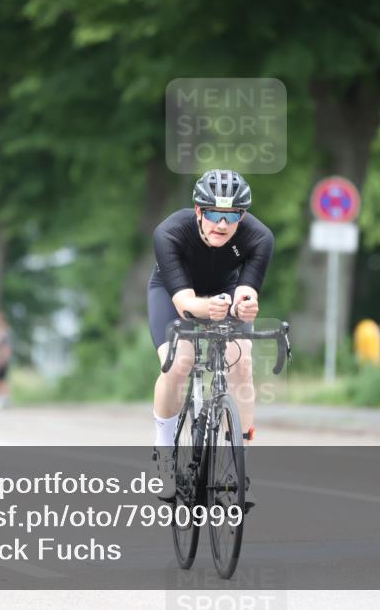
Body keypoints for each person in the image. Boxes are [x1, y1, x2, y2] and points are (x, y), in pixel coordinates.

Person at [147, 169, 274, 508]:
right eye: (214, 214)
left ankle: (237, 465)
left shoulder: (259, 238)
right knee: (180, 362)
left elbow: (246, 291)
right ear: (199, 211)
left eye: (231, 216)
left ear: (242, 216)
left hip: (224, 292)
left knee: (242, 362)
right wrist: (208, 308)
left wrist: (246, 307)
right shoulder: (170, 232)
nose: (222, 224)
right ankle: (164, 452)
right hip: (174, 294)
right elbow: (186, 303)